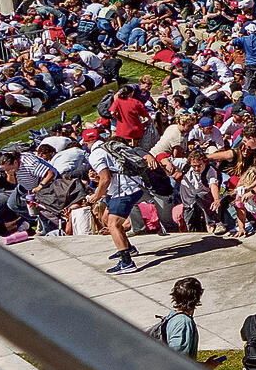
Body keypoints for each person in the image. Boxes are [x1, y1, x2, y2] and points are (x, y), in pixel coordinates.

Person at [86, 132, 153, 274]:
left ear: (87, 143)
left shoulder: (95, 155)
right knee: (106, 218)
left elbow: (105, 179)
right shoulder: (109, 148)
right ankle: (128, 248)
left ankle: (127, 262)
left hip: (125, 191)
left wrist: (96, 196)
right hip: (131, 186)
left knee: (113, 224)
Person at [162, 277, 203, 357]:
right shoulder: (183, 323)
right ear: (197, 299)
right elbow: (178, 361)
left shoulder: (173, 316)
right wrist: (207, 365)